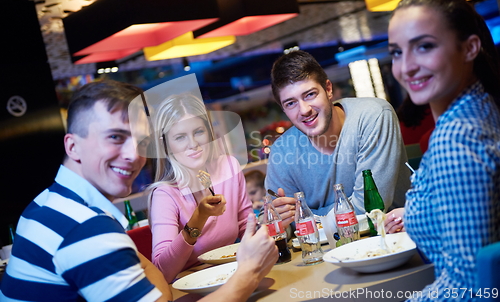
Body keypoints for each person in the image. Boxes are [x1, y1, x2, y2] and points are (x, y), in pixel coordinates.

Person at [0, 80, 172, 301]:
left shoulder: (45, 203)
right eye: (116, 137)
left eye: (142, 140)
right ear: (73, 146)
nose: (134, 155)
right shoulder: (86, 227)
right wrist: (234, 283)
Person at [384, 0, 500, 301]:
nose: (405, 67)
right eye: (397, 51)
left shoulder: (456, 137)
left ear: (469, 48)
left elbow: (470, 285)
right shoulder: (483, 106)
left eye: (424, 46)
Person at [265, 50, 411, 226]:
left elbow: (370, 209)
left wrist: (306, 215)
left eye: (310, 94)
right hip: (321, 253)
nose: (304, 110)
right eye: (291, 103)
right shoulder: (282, 150)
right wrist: (280, 219)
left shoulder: (373, 116)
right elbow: (280, 223)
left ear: (328, 89)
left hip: (388, 242)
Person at [144, 93, 254, 283]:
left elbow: (247, 228)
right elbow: (163, 272)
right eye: (180, 137)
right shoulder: (165, 194)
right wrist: (199, 218)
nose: (193, 144)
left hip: (232, 276)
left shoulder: (229, 167)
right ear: (166, 145)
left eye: (198, 132)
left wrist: (274, 221)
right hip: (188, 287)